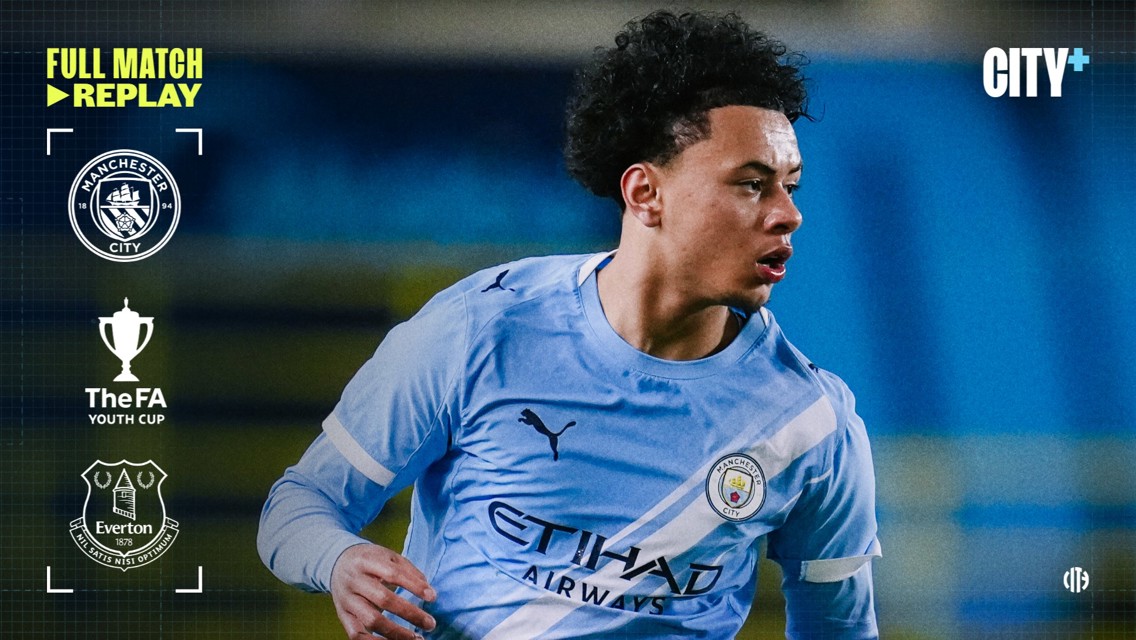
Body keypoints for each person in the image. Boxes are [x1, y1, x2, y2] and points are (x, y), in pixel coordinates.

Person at [258, 9, 881, 639]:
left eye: (791, 187)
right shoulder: (479, 331)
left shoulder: (811, 424)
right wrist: (338, 561)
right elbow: (299, 506)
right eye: (752, 184)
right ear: (645, 194)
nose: (788, 214)